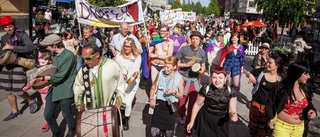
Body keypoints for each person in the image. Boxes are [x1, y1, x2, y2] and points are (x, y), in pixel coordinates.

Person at [31, 34, 77, 137]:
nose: (46, 48)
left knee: (66, 113)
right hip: (55, 87)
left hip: (65, 88)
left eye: (47, 46)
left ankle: (72, 129)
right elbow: (53, 72)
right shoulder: (55, 56)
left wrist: (42, 78)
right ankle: (56, 132)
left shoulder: (69, 55)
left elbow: (60, 76)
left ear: (54, 45)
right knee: (47, 114)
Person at [0, 16, 38, 121]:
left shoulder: (22, 34)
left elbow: (31, 47)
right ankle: (15, 111)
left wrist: (13, 47)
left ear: (14, 25)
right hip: (7, 66)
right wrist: (1, 53)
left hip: (20, 64)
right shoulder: (3, 38)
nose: (8, 29)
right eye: (6, 27)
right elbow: (3, 51)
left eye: (10, 26)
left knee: (18, 89)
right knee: (8, 90)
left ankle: (31, 100)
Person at [266, 62, 317, 137]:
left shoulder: (306, 88)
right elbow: (269, 104)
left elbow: (309, 104)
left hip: (299, 128)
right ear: (297, 74)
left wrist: (312, 111)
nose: (308, 77)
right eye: (306, 74)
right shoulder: (280, 87)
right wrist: (270, 118)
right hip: (281, 126)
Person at [73, 43, 125, 113]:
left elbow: (121, 84)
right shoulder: (83, 70)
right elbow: (78, 86)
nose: (85, 62)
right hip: (90, 111)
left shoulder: (113, 66)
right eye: (83, 59)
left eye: (88, 58)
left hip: (108, 109)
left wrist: (119, 99)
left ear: (97, 55)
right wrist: (79, 101)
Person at [186, 66, 238, 137]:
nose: (217, 80)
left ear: (225, 79)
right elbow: (197, 105)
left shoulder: (231, 91)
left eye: (220, 78)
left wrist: (233, 114)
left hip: (221, 121)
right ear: (210, 78)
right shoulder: (205, 89)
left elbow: (232, 109)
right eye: (214, 77)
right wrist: (191, 121)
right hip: (205, 119)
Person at [175, 31, 206, 136]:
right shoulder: (184, 49)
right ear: (190, 39)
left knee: (192, 107)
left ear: (200, 40)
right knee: (181, 105)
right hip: (183, 81)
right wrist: (185, 64)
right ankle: (181, 114)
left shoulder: (202, 52)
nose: (194, 40)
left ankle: (187, 132)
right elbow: (175, 62)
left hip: (195, 83)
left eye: (197, 39)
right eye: (193, 38)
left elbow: (204, 67)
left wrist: (201, 70)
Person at [245, 54, 285, 137]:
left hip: (268, 108)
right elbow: (248, 72)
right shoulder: (262, 71)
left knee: (263, 129)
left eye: (270, 63)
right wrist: (250, 76)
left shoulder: (281, 78)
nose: (267, 64)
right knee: (253, 127)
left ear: (277, 66)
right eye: (267, 62)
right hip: (256, 103)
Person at [149, 56, 184, 137]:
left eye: (168, 67)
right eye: (164, 66)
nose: (165, 69)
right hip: (159, 106)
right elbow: (153, 87)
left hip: (171, 108)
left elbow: (181, 96)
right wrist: (151, 99)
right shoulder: (161, 73)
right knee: (154, 132)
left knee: (169, 133)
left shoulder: (179, 78)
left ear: (175, 67)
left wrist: (174, 92)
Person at [114, 38, 141, 130]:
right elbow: (115, 67)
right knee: (121, 100)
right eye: (125, 46)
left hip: (132, 82)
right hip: (121, 82)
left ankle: (126, 119)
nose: (127, 48)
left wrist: (131, 78)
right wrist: (120, 75)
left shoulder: (137, 57)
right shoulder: (119, 56)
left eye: (129, 46)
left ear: (132, 46)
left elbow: (136, 71)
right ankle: (121, 115)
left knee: (128, 103)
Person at [23, 53, 53, 132]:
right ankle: (47, 120)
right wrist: (28, 86)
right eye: (40, 62)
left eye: (43, 62)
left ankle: (48, 120)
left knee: (47, 105)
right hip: (42, 90)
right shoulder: (40, 69)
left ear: (49, 61)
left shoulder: (52, 68)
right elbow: (33, 77)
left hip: (49, 88)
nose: (41, 64)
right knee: (45, 104)